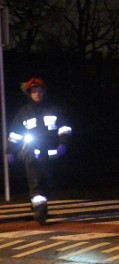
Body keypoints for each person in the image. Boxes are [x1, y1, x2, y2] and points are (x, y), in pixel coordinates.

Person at [6, 77, 72, 225]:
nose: (37, 94)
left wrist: (63, 144)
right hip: (32, 153)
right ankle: (39, 209)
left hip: (52, 153)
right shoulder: (24, 112)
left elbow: (65, 128)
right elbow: (15, 133)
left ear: (44, 92)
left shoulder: (55, 109)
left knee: (48, 182)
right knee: (35, 182)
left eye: (39, 91)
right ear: (29, 94)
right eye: (34, 92)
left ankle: (40, 205)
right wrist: (9, 151)